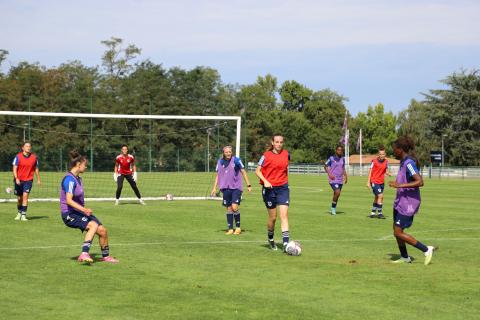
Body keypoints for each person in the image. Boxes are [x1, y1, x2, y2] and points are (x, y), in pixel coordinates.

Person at [60, 150, 119, 264]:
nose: (86, 167)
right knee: (93, 225)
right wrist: (84, 209)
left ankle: (106, 257)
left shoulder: (78, 179)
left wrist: (83, 210)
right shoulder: (69, 179)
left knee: (102, 230)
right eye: (85, 165)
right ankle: (84, 253)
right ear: (78, 164)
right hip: (69, 214)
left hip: (79, 212)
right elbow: (68, 200)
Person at [388, 136, 435, 265]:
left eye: (395, 149)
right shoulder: (403, 162)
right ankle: (405, 257)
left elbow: (420, 181)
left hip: (409, 202)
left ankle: (426, 249)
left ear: (401, 149)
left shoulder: (409, 163)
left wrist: (399, 185)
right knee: (396, 231)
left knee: (398, 232)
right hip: (400, 200)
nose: (393, 152)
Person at [255, 134, 291, 252]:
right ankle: (270, 239)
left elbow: (286, 168)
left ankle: (286, 244)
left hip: (283, 188)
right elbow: (257, 170)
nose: (279, 144)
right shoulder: (266, 156)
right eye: (277, 142)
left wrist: (286, 181)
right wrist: (265, 181)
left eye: (281, 142)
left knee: (284, 215)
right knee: (273, 218)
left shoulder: (286, 154)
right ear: (272, 143)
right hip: (269, 189)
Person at [211, 146, 252, 235]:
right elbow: (218, 175)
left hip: (236, 188)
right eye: (226, 152)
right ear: (223, 153)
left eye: (230, 152)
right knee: (229, 209)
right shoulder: (220, 162)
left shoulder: (236, 160)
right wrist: (214, 187)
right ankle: (230, 229)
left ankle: (238, 228)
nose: (228, 153)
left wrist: (248, 185)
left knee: (234, 207)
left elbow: (243, 172)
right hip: (225, 188)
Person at [12, 142, 41, 221]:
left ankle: (23, 215)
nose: (28, 147)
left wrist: (38, 179)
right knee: (19, 198)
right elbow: (14, 168)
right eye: (26, 146)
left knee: (25, 196)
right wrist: (16, 178)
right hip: (18, 180)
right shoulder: (18, 157)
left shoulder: (34, 158)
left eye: (29, 146)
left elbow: (36, 169)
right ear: (23, 148)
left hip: (28, 180)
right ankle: (19, 212)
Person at [366, 146, 391, 219]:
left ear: (385, 154)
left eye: (383, 154)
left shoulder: (386, 162)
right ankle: (380, 213)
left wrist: (388, 173)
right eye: (380, 154)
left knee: (377, 197)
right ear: (378, 154)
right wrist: (368, 182)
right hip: (374, 181)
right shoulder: (374, 161)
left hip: (381, 182)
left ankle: (372, 213)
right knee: (381, 196)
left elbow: (385, 170)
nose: (382, 155)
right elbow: (370, 171)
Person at [324, 145, 348, 215]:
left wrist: (346, 176)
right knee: (337, 192)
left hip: (340, 180)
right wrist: (329, 174)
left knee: (337, 195)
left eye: (341, 150)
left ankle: (333, 208)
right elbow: (325, 166)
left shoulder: (343, 159)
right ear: (336, 150)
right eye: (338, 150)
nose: (340, 151)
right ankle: (333, 209)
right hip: (333, 179)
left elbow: (343, 168)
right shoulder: (331, 158)